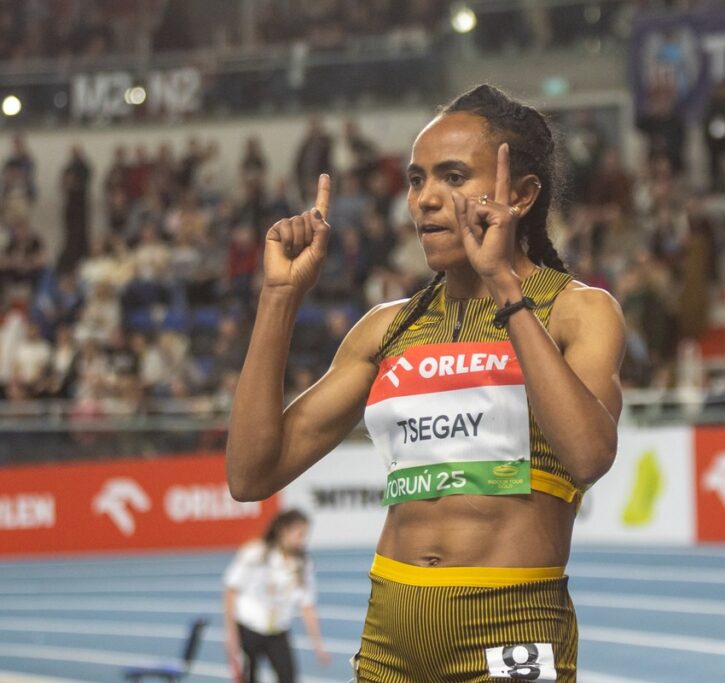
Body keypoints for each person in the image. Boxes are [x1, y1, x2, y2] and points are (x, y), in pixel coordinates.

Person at [226, 84, 625, 682]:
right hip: (391, 639)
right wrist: (279, 299)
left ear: (520, 194)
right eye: (417, 180)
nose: (426, 200)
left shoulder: (574, 312)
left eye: (453, 177)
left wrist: (505, 291)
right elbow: (250, 474)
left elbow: (590, 455)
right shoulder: (386, 329)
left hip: (510, 633)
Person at [223, 509, 329, 683]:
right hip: (249, 629)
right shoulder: (255, 553)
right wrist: (231, 637)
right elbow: (230, 590)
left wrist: (318, 645)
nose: (302, 541)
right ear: (283, 530)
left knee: (288, 678)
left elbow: (307, 605)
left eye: (305, 535)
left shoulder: (303, 565)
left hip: (278, 632)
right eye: (299, 534)